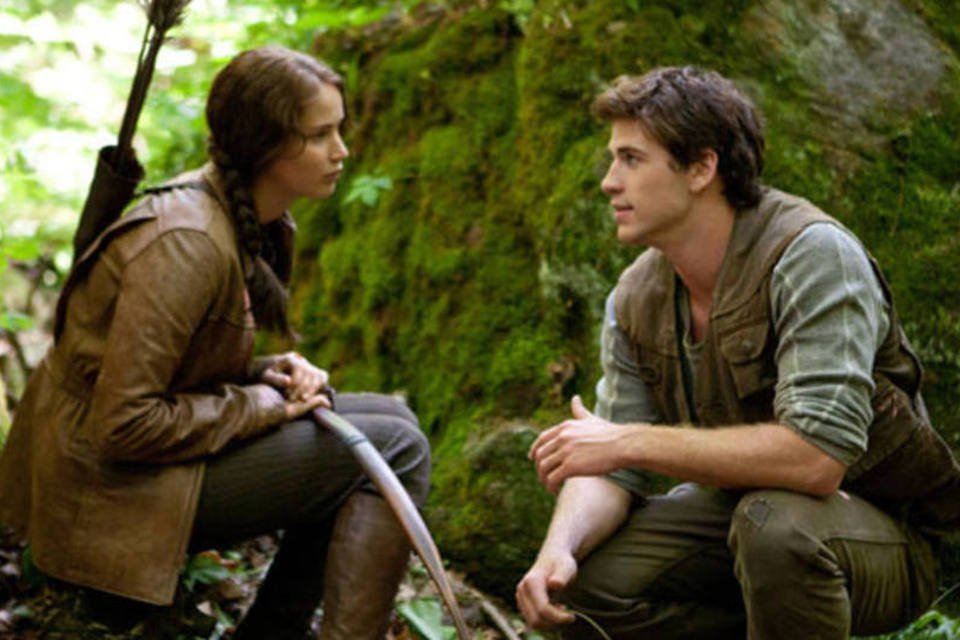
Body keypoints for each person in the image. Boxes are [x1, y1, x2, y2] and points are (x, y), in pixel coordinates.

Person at [0, 46, 431, 640]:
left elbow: (171, 365)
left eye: (340, 129)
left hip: (133, 468)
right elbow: (123, 424)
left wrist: (265, 372)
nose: (342, 151)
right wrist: (262, 405)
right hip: (104, 491)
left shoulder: (232, 215)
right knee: (393, 450)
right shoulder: (188, 243)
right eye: (318, 135)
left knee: (393, 420)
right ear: (263, 146)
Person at [516, 66, 960, 639]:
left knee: (773, 526)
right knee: (581, 585)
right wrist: (558, 550)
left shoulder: (811, 255)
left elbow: (817, 458)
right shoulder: (636, 297)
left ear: (702, 168)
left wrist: (626, 440)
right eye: (613, 159)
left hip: (878, 534)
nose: (609, 182)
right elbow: (611, 468)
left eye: (631, 159)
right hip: (740, 523)